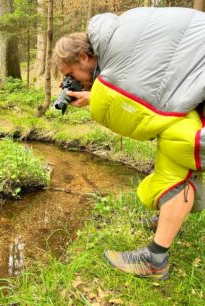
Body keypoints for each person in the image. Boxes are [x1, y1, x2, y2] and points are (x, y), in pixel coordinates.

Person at [52, 6, 205, 280]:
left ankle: (155, 259)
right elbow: (159, 84)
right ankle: (168, 221)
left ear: (86, 57)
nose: (75, 80)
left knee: (179, 147)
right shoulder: (124, 32)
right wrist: (92, 94)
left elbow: (138, 120)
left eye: (73, 72)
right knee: (177, 140)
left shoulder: (122, 53)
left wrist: (96, 98)